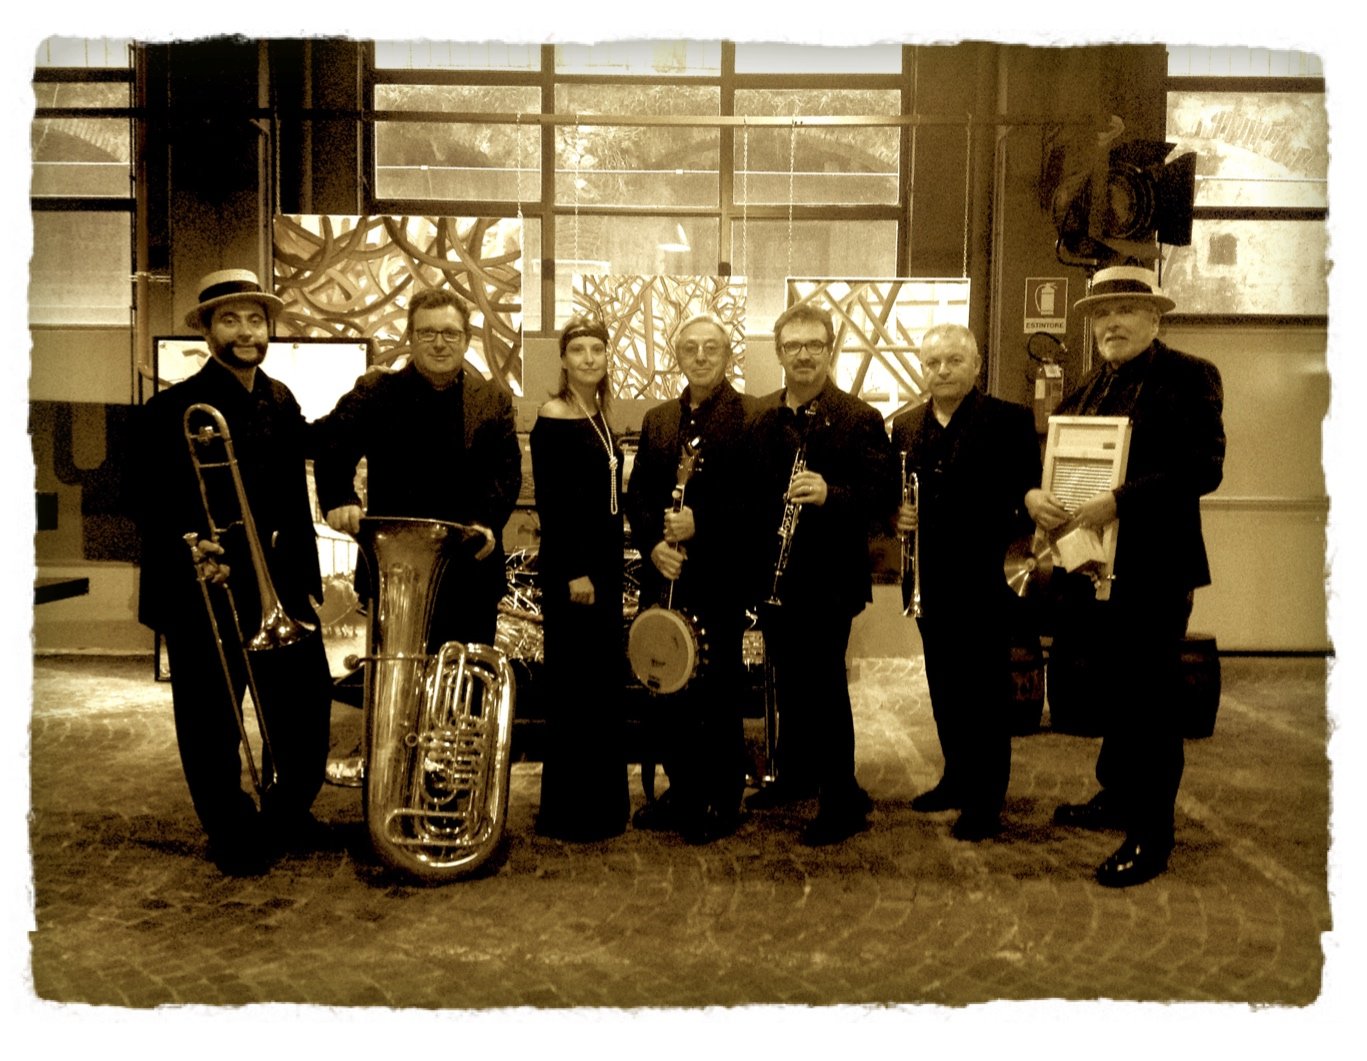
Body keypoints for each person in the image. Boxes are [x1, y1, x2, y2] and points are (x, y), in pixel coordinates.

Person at [1026, 265, 1225, 887]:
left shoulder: (1191, 376)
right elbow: (1058, 463)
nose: (1111, 323)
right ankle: (1116, 794)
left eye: (1125, 311)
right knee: (1115, 690)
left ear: (1154, 318)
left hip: (1156, 569)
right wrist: (1042, 498)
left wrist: (1120, 500)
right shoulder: (1090, 388)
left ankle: (1151, 833)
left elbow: (1205, 467)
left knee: (1150, 702)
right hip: (1095, 565)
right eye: (1101, 314)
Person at [133, 268, 333, 876]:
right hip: (208, 586)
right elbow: (145, 500)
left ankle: (288, 810)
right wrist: (191, 546)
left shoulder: (280, 399)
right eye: (230, 320)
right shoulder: (172, 409)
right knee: (211, 718)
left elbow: (307, 458)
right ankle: (230, 827)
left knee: (304, 707)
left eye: (255, 320)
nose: (246, 332)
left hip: (280, 583)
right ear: (207, 331)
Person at [747, 303, 898, 846]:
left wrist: (831, 494)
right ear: (779, 353)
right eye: (793, 346)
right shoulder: (762, 418)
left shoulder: (859, 418)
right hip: (776, 579)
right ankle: (795, 776)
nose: (804, 354)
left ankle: (842, 799)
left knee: (826, 688)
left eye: (814, 344)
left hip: (829, 581)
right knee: (788, 684)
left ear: (829, 349)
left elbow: (882, 497)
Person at [890, 323, 1041, 841]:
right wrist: (897, 515)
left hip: (986, 580)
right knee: (944, 684)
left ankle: (985, 800)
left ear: (976, 366)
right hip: (929, 580)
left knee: (985, 694)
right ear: (922, 369)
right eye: (933, 362)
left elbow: (1027, 494)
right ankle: (956, 777)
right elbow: (896, 494)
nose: (943, 370)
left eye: (954, 360)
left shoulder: (1009, 420)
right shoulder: (906, 425)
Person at [313, 287, 522, 653]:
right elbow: (332, 446)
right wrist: (340, 497)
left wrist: (486, 521)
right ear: (410, 337)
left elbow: (506, 473)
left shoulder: (492, 400)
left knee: (467, 677)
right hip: (397, 573)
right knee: (398, 681)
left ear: (466, 340)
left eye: (450, 333)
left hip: (470, 571)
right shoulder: (376, 391)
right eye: (427, 333)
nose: (439, 343)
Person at [626, 314, 757, 843]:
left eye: (711, 348)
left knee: (716, 690)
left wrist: (704, 525)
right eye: (690, 349)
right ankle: (682, 790)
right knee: (667, 685)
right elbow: (639, 497)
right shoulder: (659, 419)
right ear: (678, 356)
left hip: (717, 579)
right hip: (664, 574)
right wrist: (653, 546)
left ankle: (721, 799)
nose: (700, 356)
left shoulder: (752, 417)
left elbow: (759, 501)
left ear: (728, 355)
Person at [529, 317, 630, 841]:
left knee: (601, 686)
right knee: (575, 689)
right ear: (564, 360)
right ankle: (571, 812)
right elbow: (554, 505)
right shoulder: (554, 416)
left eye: (598, 349)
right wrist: (575, 572)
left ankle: (603, 806)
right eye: (579, 350)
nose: (590, 358)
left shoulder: (598, 413)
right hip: (576, 574)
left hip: (603, 569)